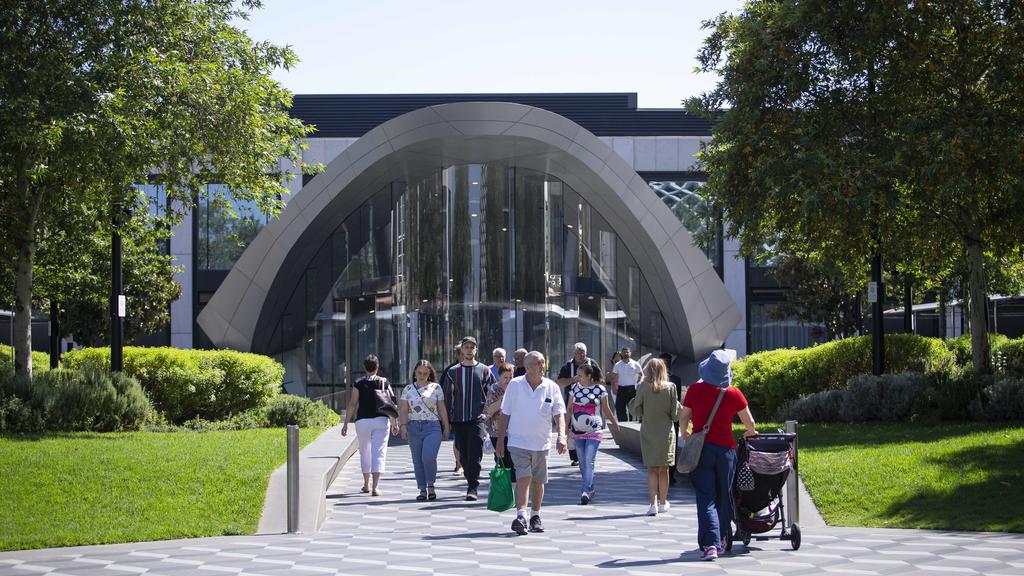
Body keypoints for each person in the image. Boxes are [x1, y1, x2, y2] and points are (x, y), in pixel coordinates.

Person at [680, 349, 758, 562]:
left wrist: (685, 433)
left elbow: (684, 417)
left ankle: (710, 545)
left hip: (702, 450)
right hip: (726, 451)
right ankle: (724, 538)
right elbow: (750, 423)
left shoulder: (695, 390)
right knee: (725, 495)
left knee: (706, 497)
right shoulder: (734, 393)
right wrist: (749, 433)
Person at [496, 351, 567, 535]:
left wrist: (561, 436)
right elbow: (505, 413)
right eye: (539, 363)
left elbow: (559, 413)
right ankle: (521, 515)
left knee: (538, 481)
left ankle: (535, 515)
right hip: (518, 441)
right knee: (524, 477)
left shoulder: (551, 387)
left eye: (543, 362)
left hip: (541, 443)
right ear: (527, 367)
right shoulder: (515, 385)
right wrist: (500, 440)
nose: (543, 366)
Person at [441, 336, 496, 501]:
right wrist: (447, 422)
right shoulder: (452, 372)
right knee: (463, 454)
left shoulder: (485, 370)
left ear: (476, 350)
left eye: (472, 347)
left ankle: (473, 486)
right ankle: (469, 478)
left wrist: (490, 415)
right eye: (466, 347)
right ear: (462, 350)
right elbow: (447, 397)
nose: (469, 349)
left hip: (478, 418)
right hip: (459, 419)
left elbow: (492, 393)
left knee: (475, 452)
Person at [341, 354, 399, 496]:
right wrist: (394, 422)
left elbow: (353, 403)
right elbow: (391, 403)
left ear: (364, 368)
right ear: (377, 367)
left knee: (365, 452)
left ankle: (366, 484)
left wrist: (346, 423)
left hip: (362, 421)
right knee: (378, 452)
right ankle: (375, 487)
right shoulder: (384, 382)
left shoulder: (358, 383)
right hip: (381, 420)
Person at [628, 358, 679, 516]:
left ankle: (653, 504)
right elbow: (675, 414)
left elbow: (636, 410)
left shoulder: (644, 386)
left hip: (649, 431)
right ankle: (663, 503)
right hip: (666, 433)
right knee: (664, 469)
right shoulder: (671, 387)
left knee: (651, 469)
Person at [399, 360, 451, 501]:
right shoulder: (408, 389)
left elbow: (441, 408)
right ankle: (422, 489)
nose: (422, 376)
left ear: (429, 374)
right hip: (414, 427)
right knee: (417, 460)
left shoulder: (436, 388)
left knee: (428, 457)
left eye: (425, 373)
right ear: (415, 373)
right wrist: (403, 426)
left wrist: (446, 426)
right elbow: (403, 409)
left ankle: (431, 485)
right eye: (419, 373)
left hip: (432, 427)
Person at [569, 363, 619, 504]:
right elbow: (569, 409)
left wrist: (614, 424)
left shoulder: (600, 390)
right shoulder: (574, 388)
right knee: (582, 463)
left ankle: (585, 491)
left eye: (580, 376)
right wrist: (566, 430)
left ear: (589, 376)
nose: (577, 378)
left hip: (594, 430)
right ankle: (590, 488)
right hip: (577, 431)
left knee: (588, 461)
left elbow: (607, 409)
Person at [557, 342, 602, 466]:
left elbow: (601, 380)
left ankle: (589, 454)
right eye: (578, 353)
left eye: (583, 352)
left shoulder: (592, 364)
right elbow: (560, 381)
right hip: (572, 401)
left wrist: (590, 381)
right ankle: (575, 456)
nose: (581, 355)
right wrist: (573, 380)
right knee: (573, 428)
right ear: (574, 353)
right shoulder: (567, 366)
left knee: (590, 428)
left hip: (590, 403)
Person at [484, 362, 516, 483]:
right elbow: (489, 410)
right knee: (502, 461)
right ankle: (503, 490)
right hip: (496, 432)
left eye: (510, 377)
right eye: (505, 378)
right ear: (500, 377)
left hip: (514, 431)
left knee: (514, 464)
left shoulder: (517, 388)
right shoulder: (494, 389)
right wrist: (503, 400)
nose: (508, 381)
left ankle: (513, 491)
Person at [660, 352, 686, 485]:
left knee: (672, 446)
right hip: (665, 418)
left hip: (670, 418)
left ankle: (671, 473)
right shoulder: (654, 380)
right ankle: (667, 474)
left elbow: (678, 401)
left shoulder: (675, 379)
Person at [611, 347, 642, 421]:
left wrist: (640, 382)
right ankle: (623, 425)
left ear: (630, 353)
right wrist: (614, 387)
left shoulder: (635, 364)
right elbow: (614, 377)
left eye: (627, 352)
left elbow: (642, 375)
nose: (626, 354)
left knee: (632, 409)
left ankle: (632, 425)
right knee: (619, 408)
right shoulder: (617, 365)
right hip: (621, 389)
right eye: (624, 352)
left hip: (631, 389)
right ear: (621, 353)